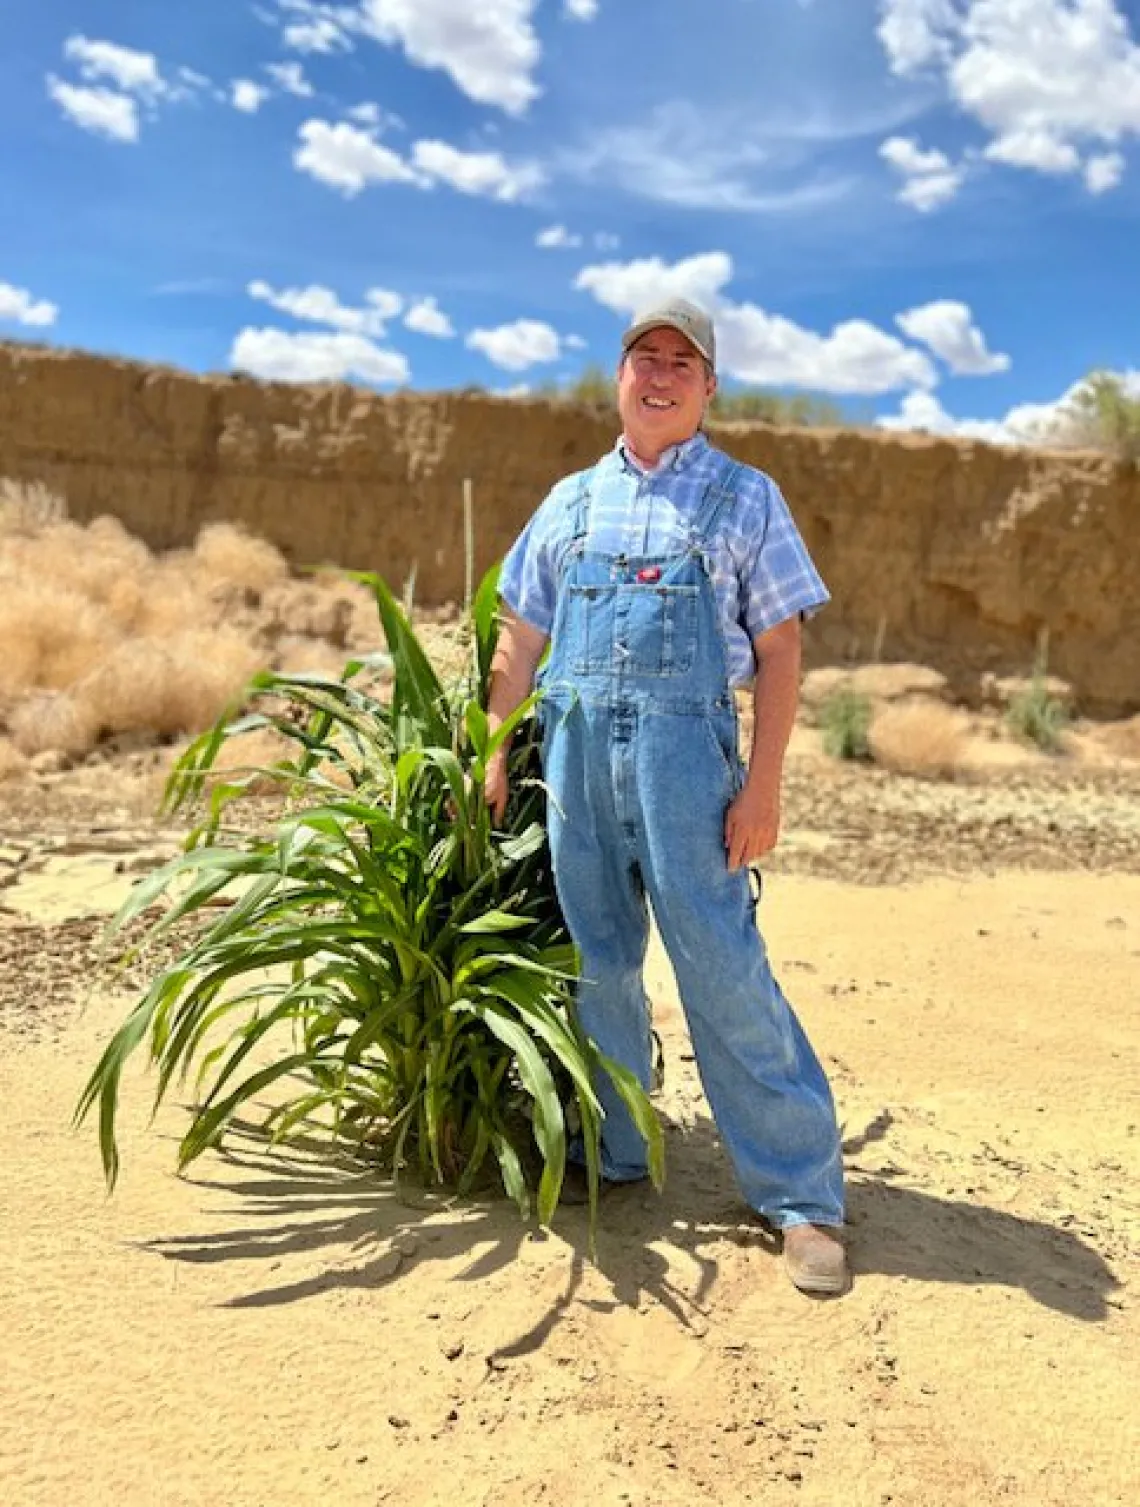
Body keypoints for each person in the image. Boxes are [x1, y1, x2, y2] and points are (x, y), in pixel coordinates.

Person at [484, 298, 848, 1296]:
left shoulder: (745, 496)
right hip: (577, 766)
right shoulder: (569, 502)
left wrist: (763, 784)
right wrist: (488, 746)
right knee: (598, 965)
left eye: (682, 361)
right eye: (644, 355)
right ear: (618, 376)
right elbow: (521, 636)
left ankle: (801, 1193)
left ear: (709, 386)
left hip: (690, 768)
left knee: (722, 965)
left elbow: (779, 648)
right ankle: (618, 1153)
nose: (660, 373)